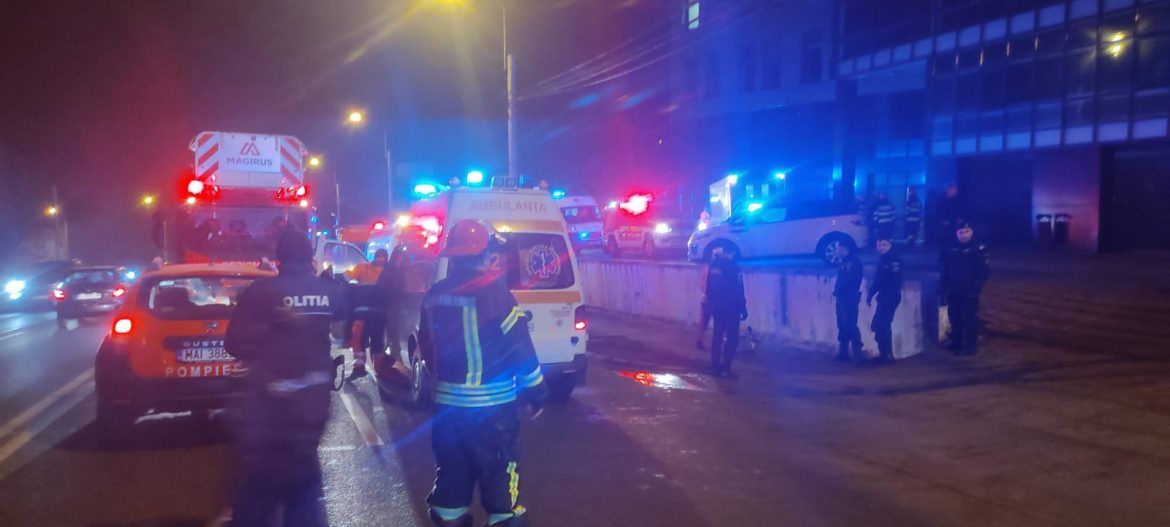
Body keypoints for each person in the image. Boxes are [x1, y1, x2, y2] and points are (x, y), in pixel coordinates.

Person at [419, 219, 546, 527]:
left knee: (451, 487)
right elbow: (521, 350)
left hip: (447, 410)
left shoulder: (434, 294)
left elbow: (426, 346)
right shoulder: (496, 294)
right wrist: (537, 392)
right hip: (492, 413)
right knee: (502, 495)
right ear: (485, 254)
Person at [223, 230, 347, 527]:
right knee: (304, 473)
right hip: (313, 401)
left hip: (269, 403)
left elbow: (234, 344)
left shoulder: (261, 292)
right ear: (310, 257)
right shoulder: (332, 292)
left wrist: (268, 340)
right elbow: (342, 323)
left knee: (261, 481)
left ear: (279, 258)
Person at [939, 222, 990, 356]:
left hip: (969, 290)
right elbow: (945, 270)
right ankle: (957, 342)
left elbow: (983, 272)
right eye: (960, 232)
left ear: (972, 232)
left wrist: (976, 289)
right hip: (954, 289)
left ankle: (969, 346)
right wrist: (942, 287)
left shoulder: (978, 248)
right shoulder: (952, 248)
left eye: (967, 232)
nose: (963, 235)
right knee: (954, 316)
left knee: (968, 319)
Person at [346, 249, 391, 377]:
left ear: (374, 257)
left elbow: (346, 277)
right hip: (380, 314)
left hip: (362, 313)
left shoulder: (362, 267)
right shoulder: (389, 272)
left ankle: (359, 368)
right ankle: (380, 369)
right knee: (377, 340)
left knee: (358, 338)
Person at [705, 248, 747, 377]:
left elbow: (708, 287)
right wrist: (743, 308)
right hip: (731, 308)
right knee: (731, 339)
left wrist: (711, 303)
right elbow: (738, 289)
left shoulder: (713, 267)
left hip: (717, 307)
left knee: (717, 336)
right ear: (731, 253)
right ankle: (726, 368)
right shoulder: (734, 268)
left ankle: (715, 367)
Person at [867, 236, 903, 363]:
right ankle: (884, 353)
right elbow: (877, 281)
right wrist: (870, 294)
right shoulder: (882, 260)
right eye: (879, 245)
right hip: (883, 297)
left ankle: (887, 355)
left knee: (883, 324)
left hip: (890, 297)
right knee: (878, 325)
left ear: (890, 245)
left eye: (884, 245)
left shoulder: (894, 260)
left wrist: (887, 296)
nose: (881, 247)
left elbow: (896, 281)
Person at [833, 243, 864, 362]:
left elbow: (848, 281)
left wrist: (838, 290)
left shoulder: (853, 262)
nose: (836, 251)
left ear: (843, 248)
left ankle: (858, 354)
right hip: (843, 297)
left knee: (850, 324)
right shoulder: (845, 262)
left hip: (849, 298)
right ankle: (844, 352)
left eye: (837, 248)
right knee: (842, 323)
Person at [694, 248, 716, 350]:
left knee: (703, 321)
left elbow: (702, 284)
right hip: (713, 299)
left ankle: (700, 340)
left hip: (706, 298)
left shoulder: (705, 268)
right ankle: (717, 344)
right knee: (718, 322)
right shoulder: (713, 270)